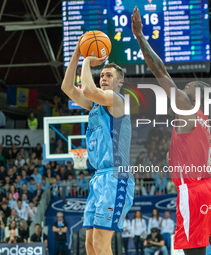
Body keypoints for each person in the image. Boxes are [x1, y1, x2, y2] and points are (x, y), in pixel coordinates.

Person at [131, 7, 211, 255]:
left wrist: (140, 36)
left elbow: (160, 71)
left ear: (194, 94)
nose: (183, 86)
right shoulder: (203, 119)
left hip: (194, 191)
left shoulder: (188, 108)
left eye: (187, 86)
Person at [61, 35, 134, 255]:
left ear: (119, 82)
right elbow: (67, 86)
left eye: (108, 75)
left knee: (102, 245)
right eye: (101, 74)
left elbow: (89, 91)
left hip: (115, 176)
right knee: (90, 245)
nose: (103, 77)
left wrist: (87, 61)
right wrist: (77, 52)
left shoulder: (117, 100)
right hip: (99, 178)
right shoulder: (95, 105)